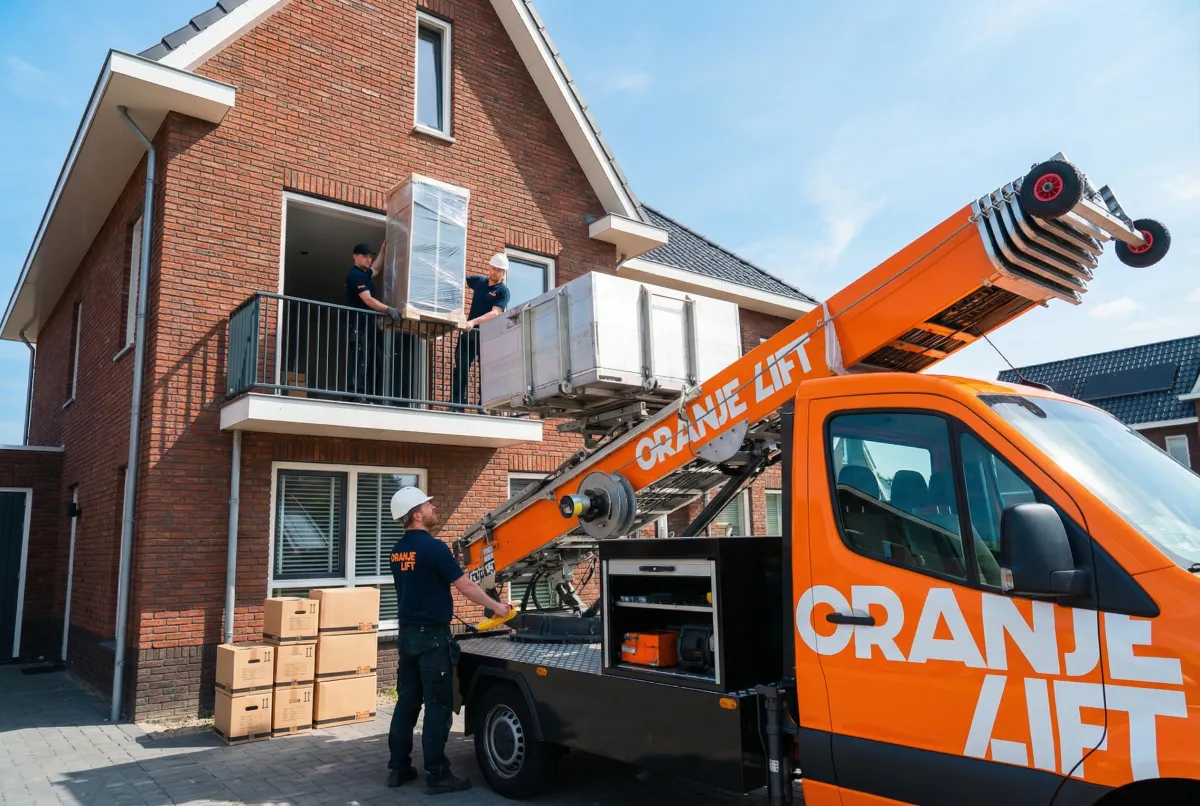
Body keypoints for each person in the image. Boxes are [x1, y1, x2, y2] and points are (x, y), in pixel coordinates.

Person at [386, 486, 513, 794]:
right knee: (438, 706)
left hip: (407, 638)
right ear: (416, 515)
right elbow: (465, 586)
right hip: (432, 639)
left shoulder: (396, 551)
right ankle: (438, 774)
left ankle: (398, 769)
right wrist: (498, 607)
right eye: (428, 506)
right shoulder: (434, 548)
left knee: (406, 704)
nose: (433, 508)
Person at [451, 253, 510, 407]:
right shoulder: (479, 281)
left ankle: (484, 405)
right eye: (493, 268)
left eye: (498, 270)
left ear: (503, 273)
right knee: (461, 368)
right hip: (468, 335)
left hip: (487, 337)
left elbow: (495, 312)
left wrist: (473, 322)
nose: (494, 272)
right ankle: (458, 403)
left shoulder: (503, 291)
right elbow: (456, 279)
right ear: (489, 267)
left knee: (486, 372)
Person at [344, 242, 401, 400]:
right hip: (358, 324)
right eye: (365, 256)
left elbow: (375, 269)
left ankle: (363, 393)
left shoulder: (364, 273)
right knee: (360, 359)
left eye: (370, 257)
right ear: (355, 256)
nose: (368, 259)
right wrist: (388, 309)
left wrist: (382, 252)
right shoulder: (355, 275)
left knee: (369, 359)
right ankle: (356, 394)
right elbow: (368, 300)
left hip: (367, 324)